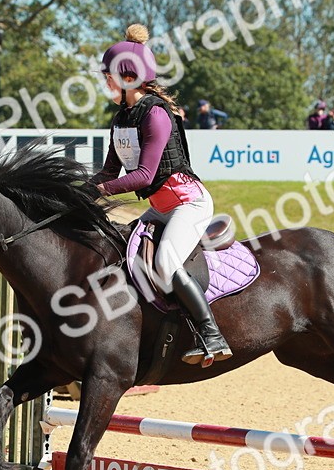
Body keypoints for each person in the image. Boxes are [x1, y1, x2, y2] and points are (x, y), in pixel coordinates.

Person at [93, 24, 231, 366]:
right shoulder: (122, 118)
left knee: (166, 263)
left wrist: (100, 190)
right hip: (160, 207)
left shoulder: (156, 115)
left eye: (108, 74)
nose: (105, 80)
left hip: (189, 204)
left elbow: (143, 176)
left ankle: (211, 334)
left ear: (127, 76)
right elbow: (109, 173)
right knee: (124, 253)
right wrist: (76, 190)